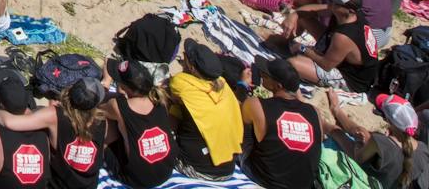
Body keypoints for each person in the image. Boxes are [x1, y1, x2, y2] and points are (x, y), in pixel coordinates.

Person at [0, 79, 107, 189]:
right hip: (89, 185)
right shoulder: (102, 121)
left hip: (59, 185)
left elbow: (9, 122)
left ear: (70, 90)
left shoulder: (54, 115)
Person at [240, 58, 324, 189]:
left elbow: (239, 119)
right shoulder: (314, 112)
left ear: (278, 86)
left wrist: (243, 85)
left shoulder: (256, 105)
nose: (262, 75)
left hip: (264, 180)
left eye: (266, 75)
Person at [280, 0, 381, 92]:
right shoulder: (348, 13)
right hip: (340, 56)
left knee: (293, 64)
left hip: (351, 79)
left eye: (334, 2)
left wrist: (303, 49)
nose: (330, 4)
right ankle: (282, 42)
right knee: (303, 17)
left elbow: (326, 64)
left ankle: (286, 48)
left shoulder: (344, 36)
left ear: (349, 10)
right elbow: (309, 10)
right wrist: (295, 15)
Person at [166, 41, 242, 178]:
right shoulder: (224, 85)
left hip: (197, 168)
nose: (183, 58)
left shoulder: (180, 83)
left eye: (186, 57)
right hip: (228, 167)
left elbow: (171, 88)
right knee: (181, 107)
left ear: (193, 68)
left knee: (168, 104)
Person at [102, 60, 176, 188]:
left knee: (105, 119)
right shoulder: (160, 99)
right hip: (166, 170)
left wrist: (106, 84)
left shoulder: (118, 106)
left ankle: (104, 148)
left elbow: (98, 108)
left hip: (136, 178)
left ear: (124, 86)